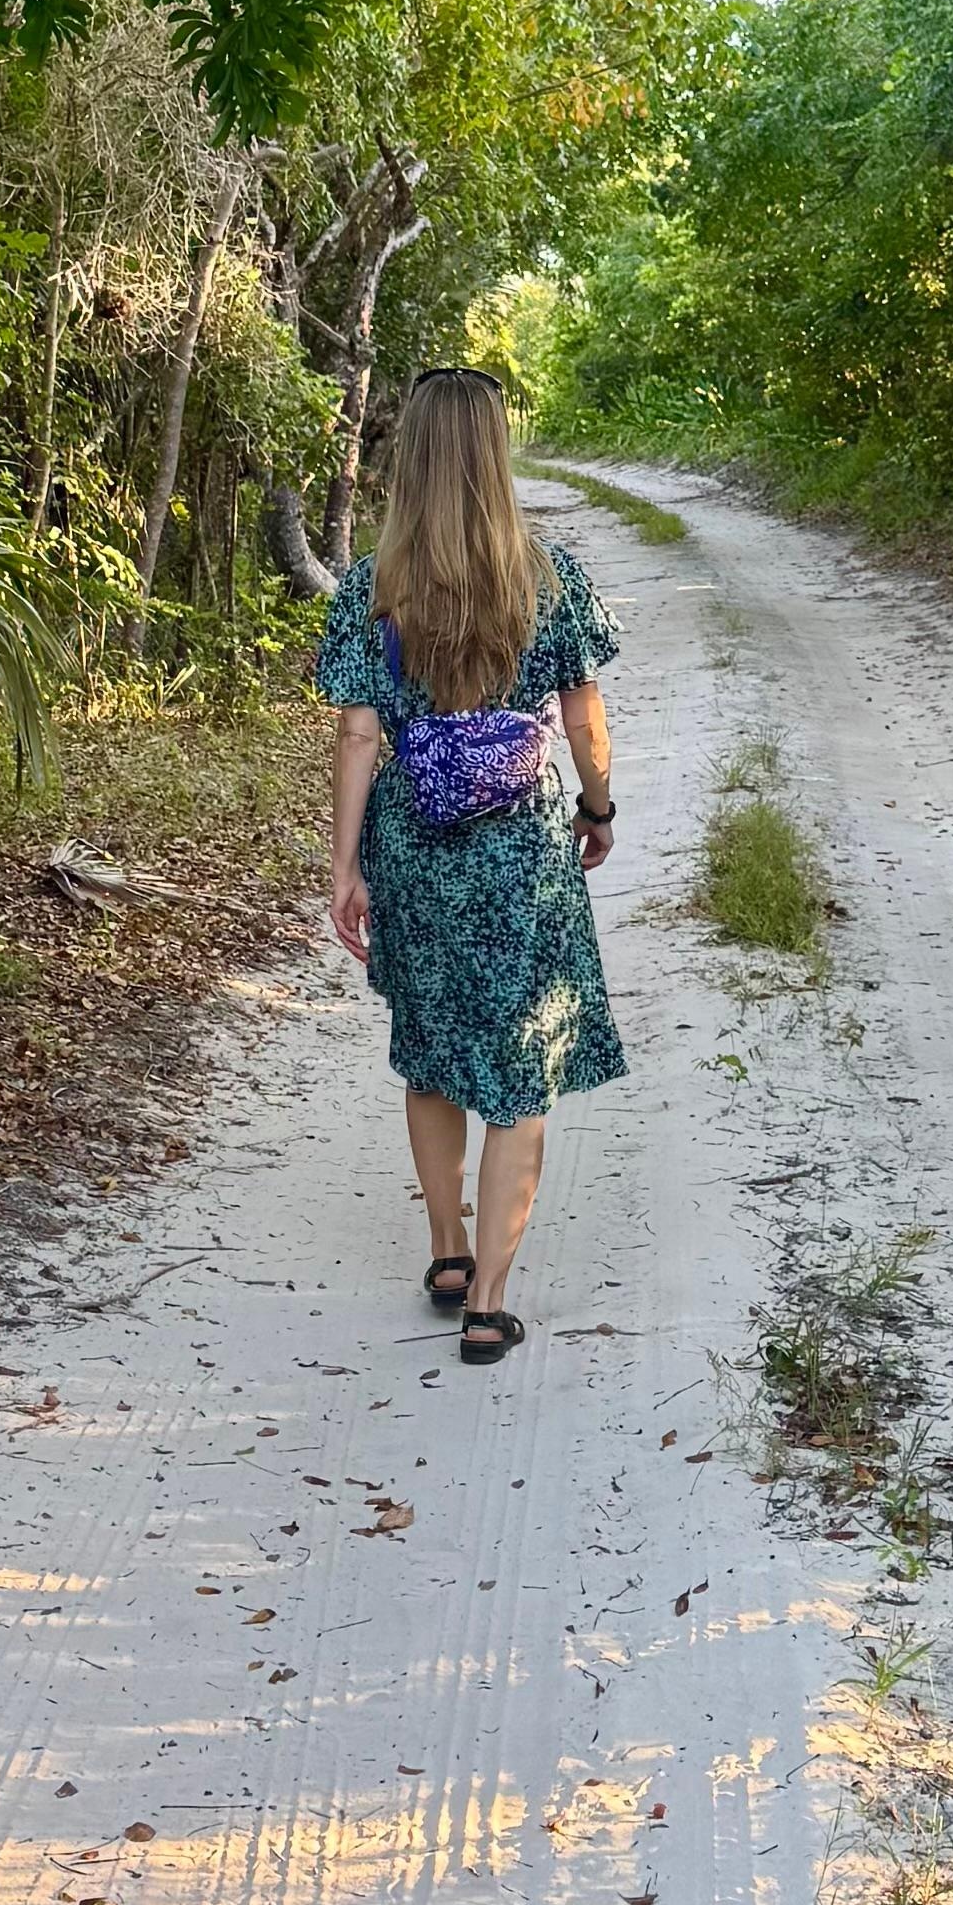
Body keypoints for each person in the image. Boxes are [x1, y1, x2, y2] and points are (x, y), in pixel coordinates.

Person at [318, 368, 622, 1366]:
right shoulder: (550, 575)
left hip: (414, 848)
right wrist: (598, 804)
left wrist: (343, 868)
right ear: (495, 457)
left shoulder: (374, 585)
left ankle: (447, 1250)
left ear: (410, 461)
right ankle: (489, 1301)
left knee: (433, 1044)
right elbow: (583, 715)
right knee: (522, 1062)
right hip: (523, 855)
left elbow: (361, 737)